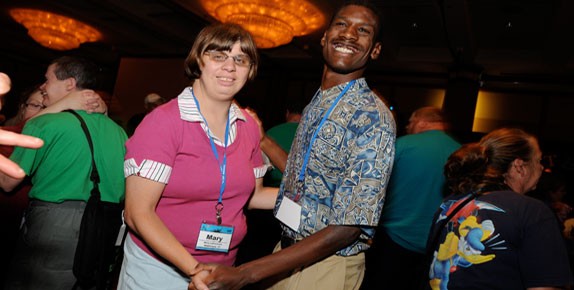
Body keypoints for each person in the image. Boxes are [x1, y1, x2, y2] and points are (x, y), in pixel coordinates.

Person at [192, 1, 396, 290]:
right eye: (341, 24)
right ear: (324, 37)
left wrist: (247, 273)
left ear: (374, 49)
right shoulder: (320, 100)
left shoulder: (373, 116)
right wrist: (262, 139)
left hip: (327, 265)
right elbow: (308, 177)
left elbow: (349, 227)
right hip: (289, 252)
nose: (349, 34)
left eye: (363, 30)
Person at [118, 23, 278, 290]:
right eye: (219, 56)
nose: (230, 67)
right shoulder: (164, 122)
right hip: (158, 269)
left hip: (222, 268)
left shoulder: (248, 126)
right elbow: (138, 213)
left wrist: (308, 198)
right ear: (198, 61)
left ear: (249, 70)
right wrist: (195, 269)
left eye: (240, 59)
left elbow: (255, 195)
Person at [0, 56, 127, 290]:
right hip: (104, 226)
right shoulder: (119, 132)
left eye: (47, 80)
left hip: (53, 225)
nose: (42, 86)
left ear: (69, 84)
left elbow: (8, 182)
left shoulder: (45, 123)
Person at [427, 128, 572, 290]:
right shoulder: (533, 211)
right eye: (538, 160)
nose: (541, 168)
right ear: (520, 167)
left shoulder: (450, 204)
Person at [364, 107, 460, 290]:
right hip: (438, 246)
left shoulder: (401, 145)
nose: (407, 127)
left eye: (411, 122)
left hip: (391, 241)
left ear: (422, 122)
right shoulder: (461, 152)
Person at [0, 72, 43, 179]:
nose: (40, 113)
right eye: (35, 105)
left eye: (46, 108)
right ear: (23, 108)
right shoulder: (6, 132)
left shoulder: (45, 136)